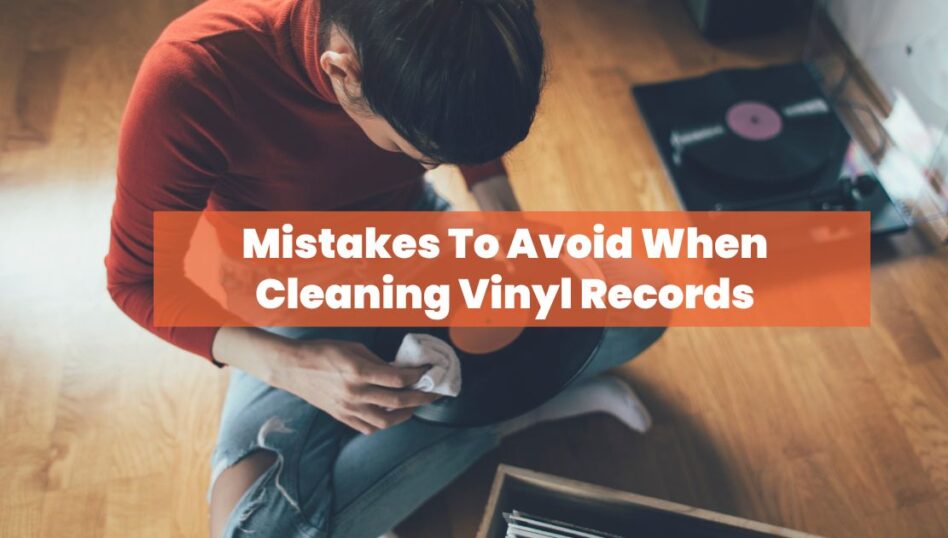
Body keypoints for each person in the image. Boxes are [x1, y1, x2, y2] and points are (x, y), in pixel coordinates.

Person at [105, 0, 665, 536]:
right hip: (288, 296)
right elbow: (135, 281)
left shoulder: (443, 23)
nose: (432, 164)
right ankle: (510, 409)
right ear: (343, 72)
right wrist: (294, 365)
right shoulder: (194, 76)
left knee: (646, 301)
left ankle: (476, 414)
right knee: (253, 529)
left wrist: (509, 228)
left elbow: (454, 105)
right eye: (416, 152)